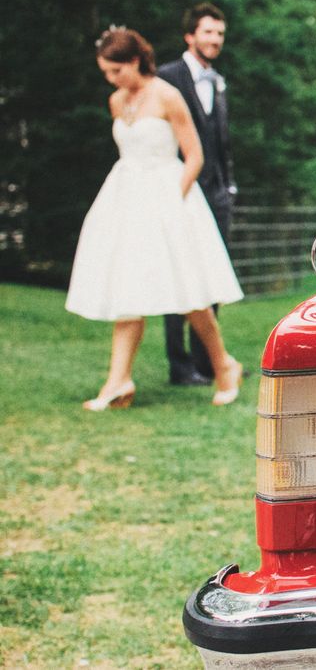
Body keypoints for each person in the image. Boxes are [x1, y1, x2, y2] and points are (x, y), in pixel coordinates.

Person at [65, 26, 243, 410]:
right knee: (126, 285)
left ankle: (224, 365)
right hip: (126, 199)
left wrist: (171, 199)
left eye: (116, 71)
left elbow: (194, 155)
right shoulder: (116, 101)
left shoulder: (168, 96)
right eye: (106, 74)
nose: (112, 81)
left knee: (189, 292)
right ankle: (118, 381)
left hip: (168, 195)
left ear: (133, 61)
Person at [157, 2, 237, 386]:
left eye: (219, 34)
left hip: (217, 194)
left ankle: (209, 363)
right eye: (208, 32)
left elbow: (220, 143)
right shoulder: (167, 77)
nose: (215, 40)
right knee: (178, 276)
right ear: (190, 36)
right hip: (180, 190)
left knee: (213, 277)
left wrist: (228, 185)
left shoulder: (219, 81)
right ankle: (180, 365)